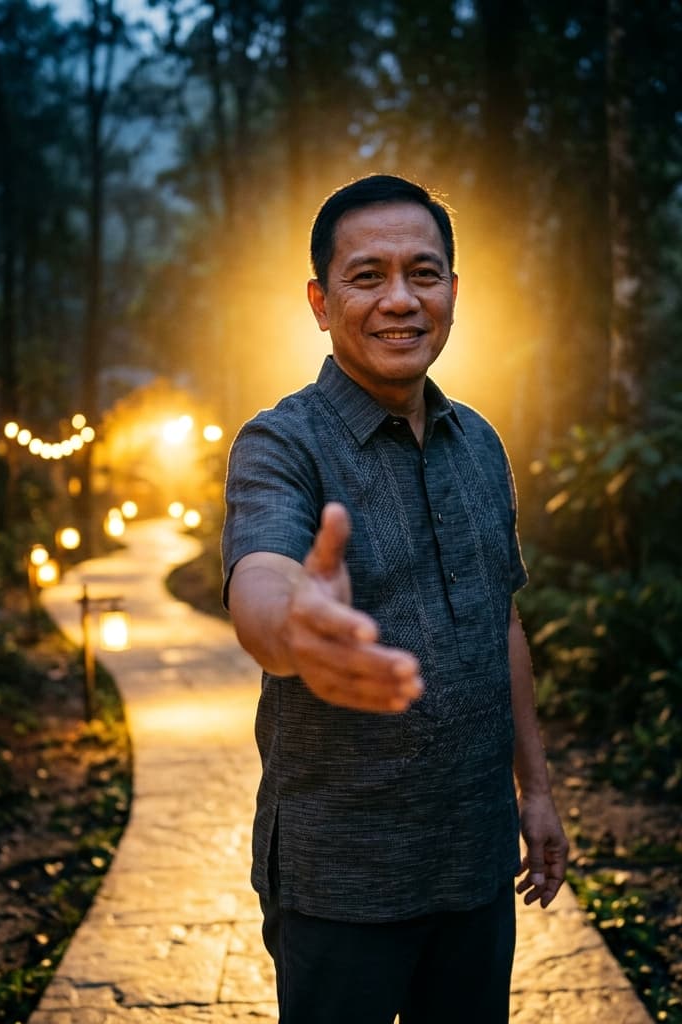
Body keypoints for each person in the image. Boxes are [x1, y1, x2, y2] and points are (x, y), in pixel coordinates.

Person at [221, 174, 568, 1024]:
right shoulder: (281, 442)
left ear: (454, 290)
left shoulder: (480, 442)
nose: (400, 300)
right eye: (367, 276)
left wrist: (537, 789)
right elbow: (262, 581)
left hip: (476, 866)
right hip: (343, 883)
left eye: (424, 272)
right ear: (320, 300)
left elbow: (504, 620)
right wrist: (297, 630)